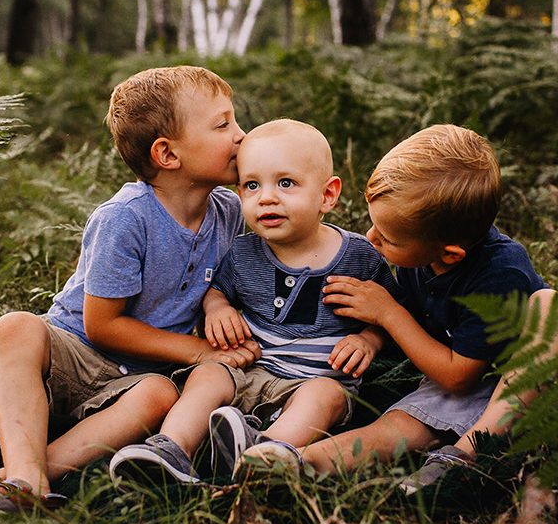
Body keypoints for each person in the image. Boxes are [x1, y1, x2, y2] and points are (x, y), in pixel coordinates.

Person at [0, 66, 260, 512]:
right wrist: (199, 351)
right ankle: (26, 476)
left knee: (162, 395)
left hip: (141, 378)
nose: (242, 135)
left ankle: (16, 479)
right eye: (224, 125)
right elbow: (102, 326)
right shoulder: (126, 218)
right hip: (79, 350)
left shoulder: (228, 211)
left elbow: (223, 273)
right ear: (167, 154)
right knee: (14, 328)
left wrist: (216, 302)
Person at [244, 123, 558, 495]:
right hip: (462, 384)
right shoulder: (419, 257)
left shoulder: (499, 272)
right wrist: (369, 339)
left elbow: (457, 376)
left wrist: (388, 313)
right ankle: (296, 462)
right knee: (396, 427)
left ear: (449, 254)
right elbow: (432, 362)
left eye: (387, 238)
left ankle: (468, 455)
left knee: (555, 307)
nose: (371, 239)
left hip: (531, 378)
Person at [107, 119, 400, 485]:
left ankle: (267, 453)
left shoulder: (358, 256)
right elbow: (217, 289)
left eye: (286, 183)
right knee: (209, 374)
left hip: (313, 380)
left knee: (324, 396)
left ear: (327, 195)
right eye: (251, 185)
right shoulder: (244, 252)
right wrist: (218, 308)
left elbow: (389, 311)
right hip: (250, 369)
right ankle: (172, 448)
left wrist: (367, 339)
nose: (267, 197)